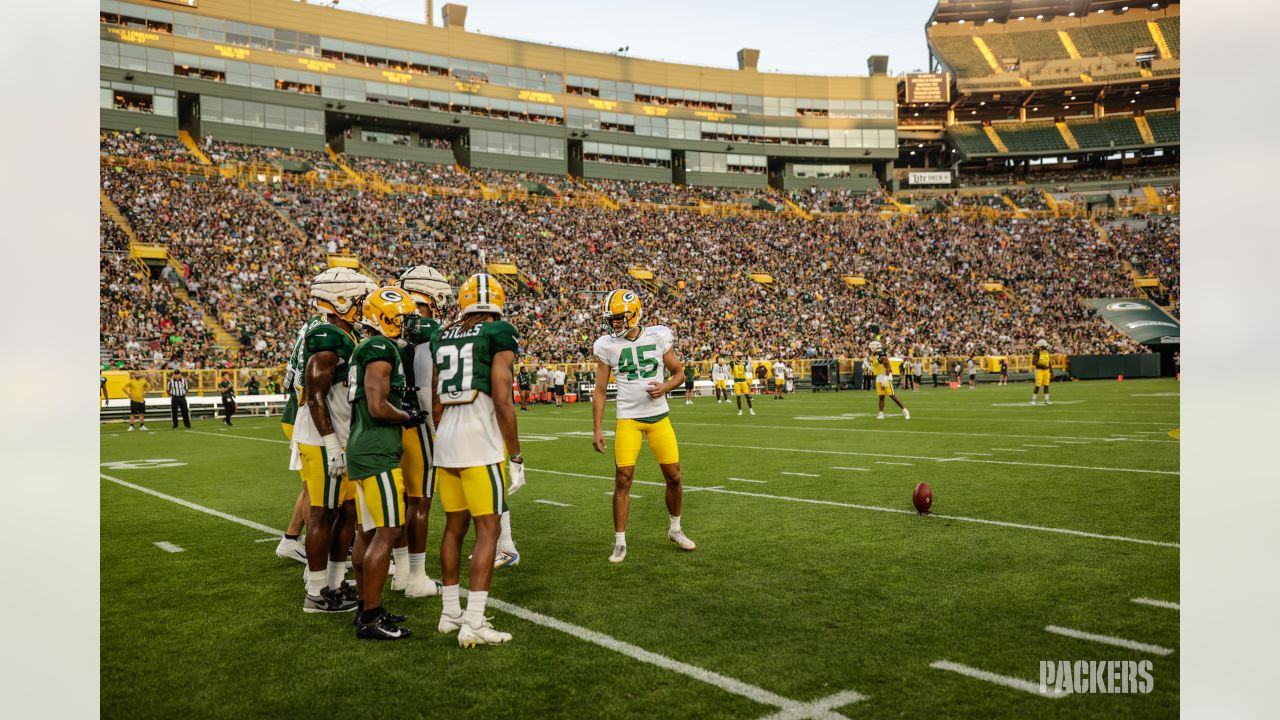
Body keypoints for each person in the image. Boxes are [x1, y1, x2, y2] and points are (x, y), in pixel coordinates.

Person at [431, 274, 526, 647]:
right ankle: (473, 621)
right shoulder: (499, 332)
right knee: (488, 530)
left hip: (447, 443)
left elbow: (436, 402)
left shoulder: (446, 334)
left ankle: (450, 612)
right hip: (478, 443)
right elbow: (502, 399)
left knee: (454, 528)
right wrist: (515, 454)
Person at [291, 267, 376, 615]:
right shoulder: (328, 336)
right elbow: (314, 395)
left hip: (342, 436)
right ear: (340, 301)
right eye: (357, 301)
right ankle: (316, 592)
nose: (362, 307)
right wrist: (330, 442)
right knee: (323, 512)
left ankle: (336, 582)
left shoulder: (347, 334)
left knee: (347, 510)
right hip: (322, 438)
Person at [591, 289, 695, 564]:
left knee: (674, 476)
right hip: (629, 420)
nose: (614, 323)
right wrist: (597, 428)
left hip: (659, 418)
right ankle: (620, 542)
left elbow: (679, 373)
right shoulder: (606, 345)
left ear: (634, 314)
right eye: (611, 319)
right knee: (623, 479)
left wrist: (666, 386)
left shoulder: (658, 336)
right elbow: (600, 390)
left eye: (618, 318)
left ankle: (675, 529)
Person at [347, 286, 427, 640]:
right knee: (389, 531)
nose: (407, 326)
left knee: (367, 533)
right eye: (401, 319)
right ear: (384, 318)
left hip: (363, 447)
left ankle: (367, 605)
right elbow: (379, 407)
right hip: (377, 450)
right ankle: (370, 616)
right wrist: (407, 415)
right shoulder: (379, 348)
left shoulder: (366, 347)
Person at [392, 265, 451, 597]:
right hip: (416, 422)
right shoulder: (430, 331)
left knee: (396, 501)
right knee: (418, 501)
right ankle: (415, 576)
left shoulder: (386, 321)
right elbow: (429, 389)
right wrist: (437, 430)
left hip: (386, 423)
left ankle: (400, 571)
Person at [276, 314, 324, 565]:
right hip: (304, 412)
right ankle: (315, 557)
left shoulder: (315, 322)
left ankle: (291, 538)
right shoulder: (328, 328)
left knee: (312, 488)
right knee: (315, 491)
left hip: (296, 411)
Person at [870, 341, 910, 420]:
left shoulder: (881, 355)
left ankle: (905, 410)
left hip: (885, 375)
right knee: (881, 397)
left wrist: (886, 377)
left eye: (873, 346)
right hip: (879, 377)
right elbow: (876, 366)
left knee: (892, 395)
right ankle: (881, 414)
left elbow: (888, 367)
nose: (871, 347)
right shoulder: (875, 354)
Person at [730, 351, 755, 416]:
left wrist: (750, 364)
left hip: (743, 381)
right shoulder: (732, 363)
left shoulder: (744, 363)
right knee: (738, 397)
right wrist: (730, 375)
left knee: (747, 396)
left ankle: (751, 409)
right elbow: (726, 369)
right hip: (736, 382)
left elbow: (749, 370)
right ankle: (740, 410)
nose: (740, 357)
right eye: (739, 356)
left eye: (741, 356)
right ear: (736, 357)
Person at [1031, 339, 1053, 405]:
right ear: (1041, 346)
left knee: (1046, 385)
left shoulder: (1047, 352)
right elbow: (1033, 362)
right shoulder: (1037, 352)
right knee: (1037, 386)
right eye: (1044, 346)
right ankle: (1033, 400)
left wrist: (1051, 371)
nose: (1046, 347)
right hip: (1039, 370)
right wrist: (1042, 365)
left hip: (1047, 370)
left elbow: (1049, 362)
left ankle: (1047, 400)